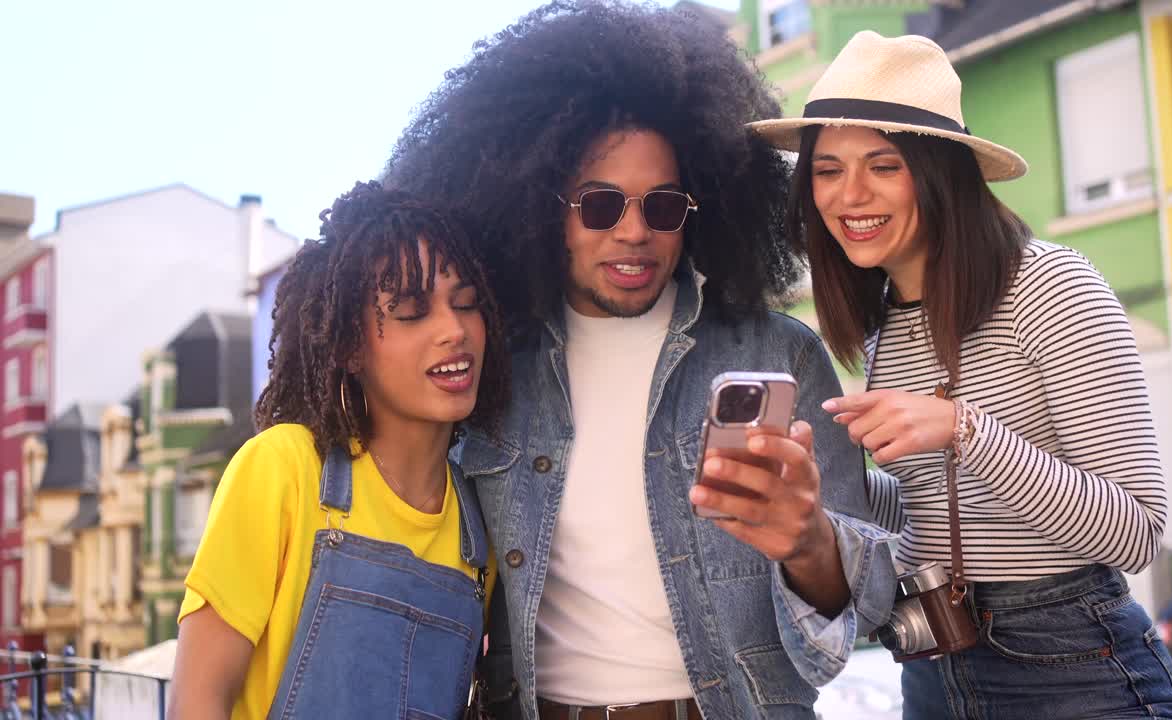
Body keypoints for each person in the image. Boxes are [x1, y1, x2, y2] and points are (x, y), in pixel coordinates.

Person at [385, 2, 897, 719]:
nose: (633, 231)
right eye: (600, 205)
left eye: (662, 206)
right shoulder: (491, 367)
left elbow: (865, 603)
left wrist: (809, 543)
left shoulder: (778, 354)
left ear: (699, 210)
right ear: (542, 209)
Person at [750, 31, 1172, 720]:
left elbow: (1134, 533)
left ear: (939, 171)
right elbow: (941, 511)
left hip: (1073, 667)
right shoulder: (887, 324)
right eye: (828, 169)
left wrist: (964, 428)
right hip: (937, 665)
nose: (851, 194)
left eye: (884, 164)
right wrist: (818, 484)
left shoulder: (1049, 285)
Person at [168, 182, 507, 720]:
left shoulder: (478, 535)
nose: (454, 330)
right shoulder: (283, 469)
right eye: (412, 312)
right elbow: (196, 703)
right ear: (349, 346)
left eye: (466, 304)